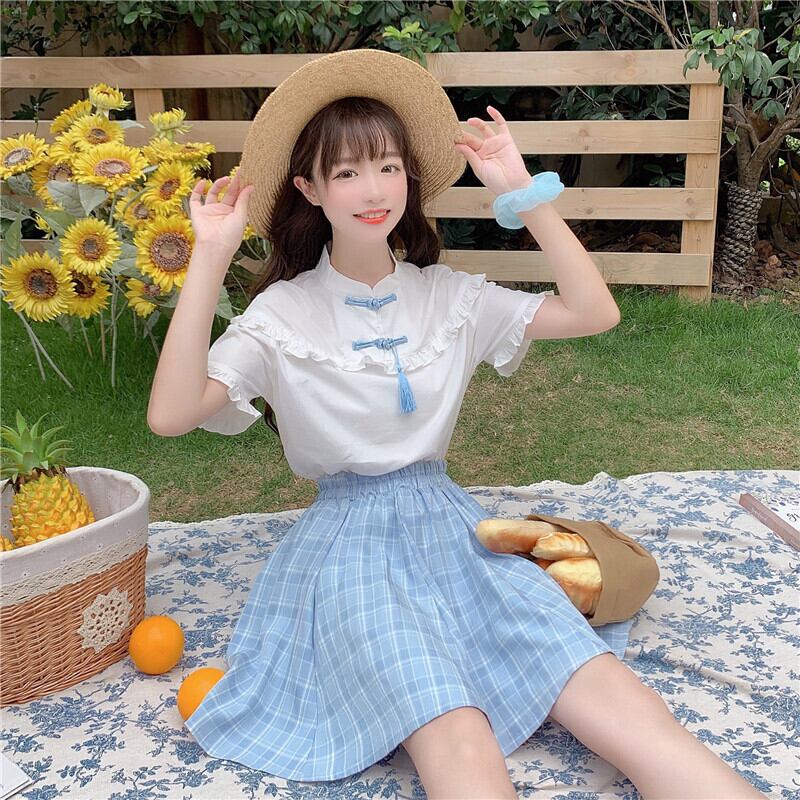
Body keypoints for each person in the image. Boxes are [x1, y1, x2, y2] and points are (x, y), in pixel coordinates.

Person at [148, 49, 767, 800]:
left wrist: (523, 194)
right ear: (309, 188)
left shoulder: (448, 296)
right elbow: (171, 415)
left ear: (410, 177)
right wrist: (210, 257)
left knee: (624, 705)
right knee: (457, 735)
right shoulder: (283, 314)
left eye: (389, 167)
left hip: (454, 529)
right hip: (348, 552)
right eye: (346, 172)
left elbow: (594, 311)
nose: (374, 190)